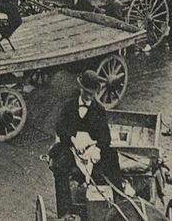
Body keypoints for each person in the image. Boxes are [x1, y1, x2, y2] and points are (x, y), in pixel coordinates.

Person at [49, 70, 122, 217]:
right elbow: (60, 127)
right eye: (87, 92)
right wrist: (72, 140)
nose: (89, 96)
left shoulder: (99, 109)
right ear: (81, 88)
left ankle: (118, 205)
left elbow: (105, 137)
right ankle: (65, 213)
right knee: (60, 165)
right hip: (71, 147)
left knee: (112, 157)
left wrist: (98, 149)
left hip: (91, 149)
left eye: (92, 93)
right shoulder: (69, 105)